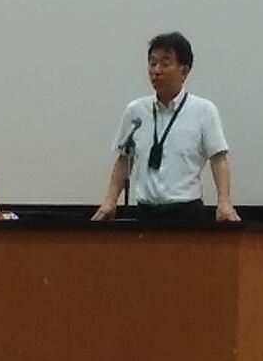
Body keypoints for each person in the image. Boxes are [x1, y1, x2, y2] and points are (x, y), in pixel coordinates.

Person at [91, 32, 240, 222]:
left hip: (186, 213)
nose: (156, 70)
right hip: (145, 213)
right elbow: (123, 160)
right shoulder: (136, 111)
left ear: (184, 71)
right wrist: (110, 201)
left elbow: (218, 159)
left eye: (165, 63)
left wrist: (224, 202)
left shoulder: (203, 110)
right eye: (152, 63)